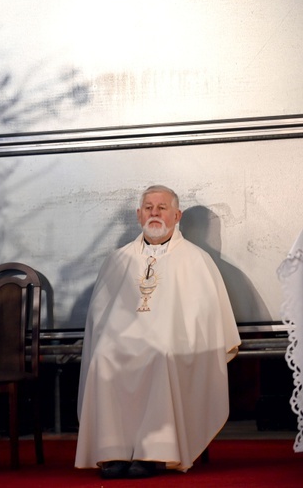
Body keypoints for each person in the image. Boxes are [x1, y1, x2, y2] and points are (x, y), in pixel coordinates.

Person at [75, 185, 241, 479]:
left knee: (161, 354)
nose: (155, 213)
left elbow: (204, 318)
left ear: (177, 215)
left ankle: (154, 454)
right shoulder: (118, 260)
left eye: (162, 207)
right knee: (102, 357)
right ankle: (112, 452)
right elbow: (100, 316)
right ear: (139, 216)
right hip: (123, 343)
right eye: (148, 208)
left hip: (173, 346)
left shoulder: (195, 259)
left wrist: (174, 336)